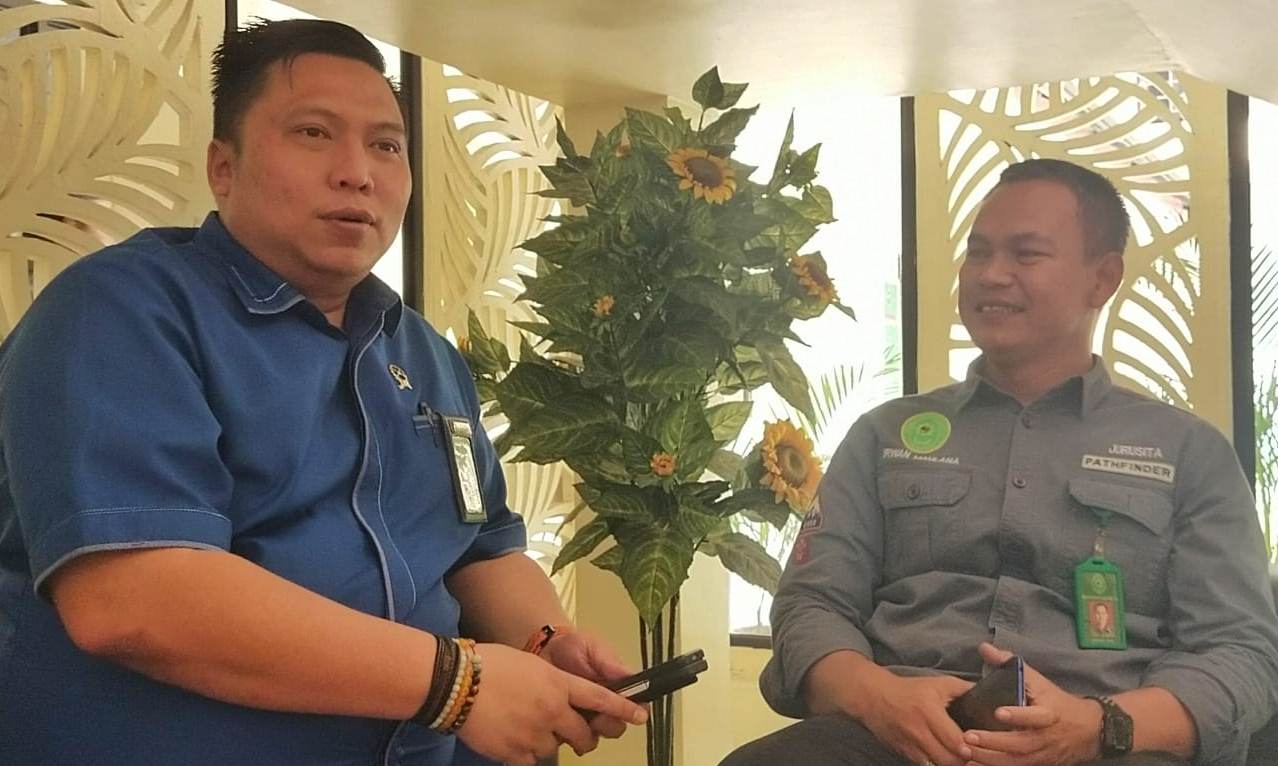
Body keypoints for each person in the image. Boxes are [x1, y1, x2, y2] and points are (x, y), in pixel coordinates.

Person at [0, 19, 645, 766]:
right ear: (223, 167)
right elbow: (131, 600)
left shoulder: (427, 355)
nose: (357, 173)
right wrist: (455, 685)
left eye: (386, 145)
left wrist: (544, 642)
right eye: (313, 133)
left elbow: (480, 549)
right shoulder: (121, 312)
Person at [720, 159, 1278, 766]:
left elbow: (1239, 651)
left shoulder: (1189, 452)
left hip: (1106, 741)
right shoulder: (883, 435)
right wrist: (878, 697)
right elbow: (810, 606)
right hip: (893, 735)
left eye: (1026, 254)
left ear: (1102, 278)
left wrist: (1100, 726)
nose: (991, 275)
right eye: (978, 252)